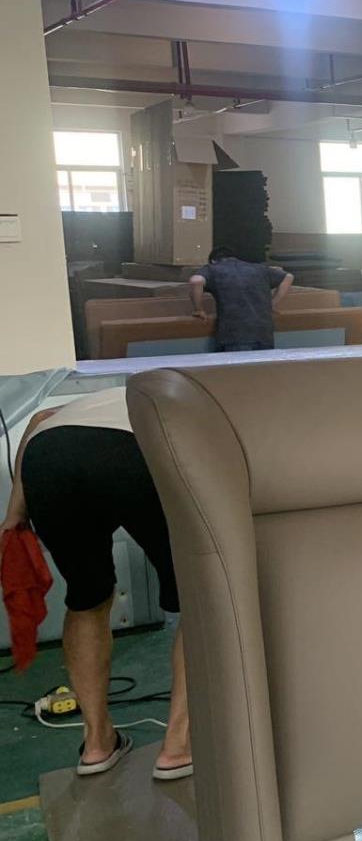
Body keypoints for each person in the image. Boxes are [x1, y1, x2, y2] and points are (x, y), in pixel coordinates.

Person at [2, 388, 191, 780]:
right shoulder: (179, 400)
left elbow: (38, 421)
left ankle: (97, 743)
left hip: (48, 457)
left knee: (86, 598)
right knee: (198, 604)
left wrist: (14, 515)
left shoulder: (98, 400)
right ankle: (178, 745)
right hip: (132, 455)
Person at [188, 246, 293, 353]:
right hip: (264, 333)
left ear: (213, 261)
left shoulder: (212, 268)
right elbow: (288, 277)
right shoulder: (259, 268)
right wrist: (271, 305)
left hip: (235, 334)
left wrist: (199, 309)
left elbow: (196, 281)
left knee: (237, 363)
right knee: (261, 363)